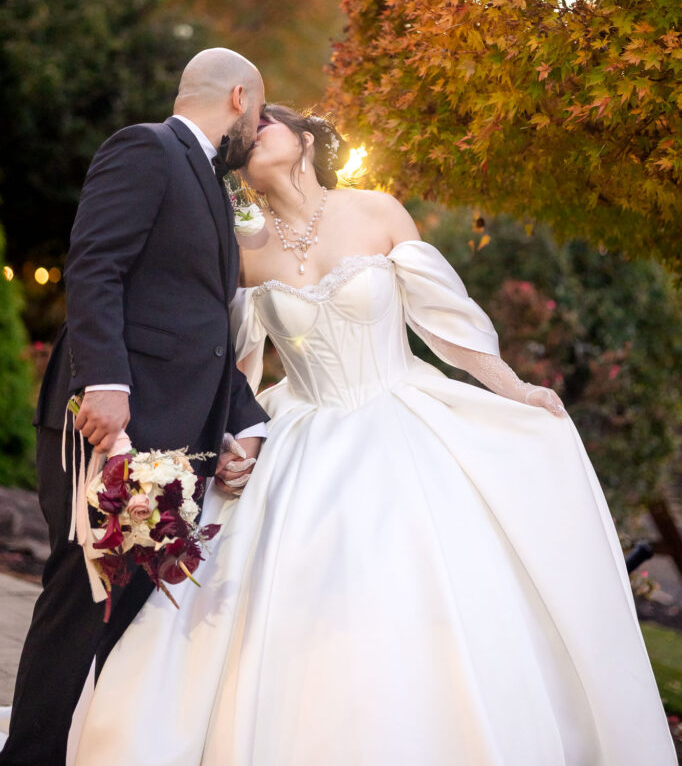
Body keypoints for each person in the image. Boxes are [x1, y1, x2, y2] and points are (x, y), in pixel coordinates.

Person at [70, 107, 677, 763]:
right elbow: (237, 362)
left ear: (304, 140)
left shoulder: (377, 211)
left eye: (265, 124)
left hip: (401, 417)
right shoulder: (238, 245)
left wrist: (516, 389)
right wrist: (232, 439)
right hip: (297, 431)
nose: (250, 137)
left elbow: (446, 325)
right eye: (241, 138)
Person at [0, 49, 271, 766]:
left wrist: (242, 422)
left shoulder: (216, 189)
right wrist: (106, 382)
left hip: (177, 435)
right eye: (261, 111)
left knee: (120, 615)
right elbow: (94, 261)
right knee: (81, 598)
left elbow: (207, 327)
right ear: (239, 97)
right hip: (108, 423)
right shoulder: (146, 148)